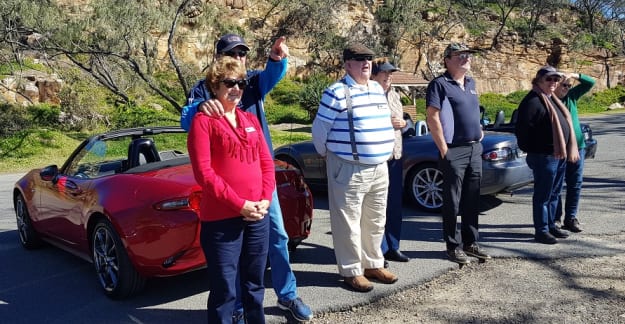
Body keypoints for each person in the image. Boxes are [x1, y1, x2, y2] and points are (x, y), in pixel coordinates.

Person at [180, 33, 313, 322]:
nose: (238, 59)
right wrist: (198, 107)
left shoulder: (250, 82)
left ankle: (287, 295)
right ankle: (236, 309)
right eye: (232, 53)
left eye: (242, 53)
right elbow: (187, 120)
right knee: (230, 267)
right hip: (227, 201)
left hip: (261, 189)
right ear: (218, 58)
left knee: (277, 237)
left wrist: (278, 58)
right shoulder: (205, 89)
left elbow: (272, 76)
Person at [187, 56, 274, 323]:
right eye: (229, 83)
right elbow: (205, 174)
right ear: (215, 86)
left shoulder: (250, 119)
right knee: (224, 290)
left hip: (258, 216)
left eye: (241, 83)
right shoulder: (204, 122)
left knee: (254, 285)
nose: (236, 88)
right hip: (222, 220)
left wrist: (264, 200)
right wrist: (239, 205)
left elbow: (266, 163)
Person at [311, 43, 399, 292]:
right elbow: (319, 130)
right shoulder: (336, 92)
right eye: (360, 59)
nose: (366, 63)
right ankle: (352, 270)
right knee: (348, 222)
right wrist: (328, 154)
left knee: (375, 219)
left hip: (379, 167)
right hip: (349, 167)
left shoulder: (375, 87)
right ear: (347, 63)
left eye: (369, 59)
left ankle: (373, 263)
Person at [425, 42, 491, 264]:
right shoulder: (439, 85)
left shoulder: (471, 83)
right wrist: (443, 148)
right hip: (454, 151)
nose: (466, 58)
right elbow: (432, 117)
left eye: (467, 55)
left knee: (473, 199)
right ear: (447, 60)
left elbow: (473, 111)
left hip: (474, 148)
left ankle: (471, 243)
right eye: (460, 55)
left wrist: (479, 130)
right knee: (452, 202)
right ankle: (452, 246)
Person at [515, 65, 580, 244]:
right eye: (549, 79)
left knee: (554, 193)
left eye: (556, 79)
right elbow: (522, 131)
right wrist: (535, 150)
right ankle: (541, 230)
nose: (553, 82)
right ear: (538, 81)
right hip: (544, 156)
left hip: (558, 155)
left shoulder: (551, 99)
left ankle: (551, 225)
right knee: (543, 195)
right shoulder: (532, 102)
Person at [370, 58, 409, 266]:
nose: (388, 77)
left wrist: (403, 122)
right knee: (377, 208)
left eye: (390, 74)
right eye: (384, 74)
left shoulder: (394, 94)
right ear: (374, 76)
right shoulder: (368, 95)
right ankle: (378, 250)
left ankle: (393, 246)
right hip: (377, 159)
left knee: (394, 205)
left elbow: (404, 119)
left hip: (395, 156)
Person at [554, 73, 596, 233]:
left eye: (568, 86)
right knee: (556, 185)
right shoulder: (549, 100)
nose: (566, 88)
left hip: (578, 147)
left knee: (575, 184)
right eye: (563, 85)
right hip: (558, 150)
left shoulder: (571, 97)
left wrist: (574, 75)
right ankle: (555, 217)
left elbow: (590, 82)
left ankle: (571, 218)